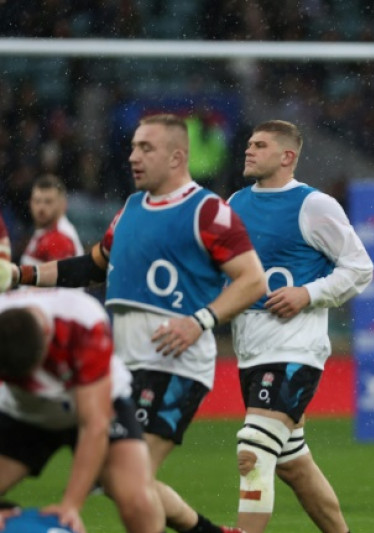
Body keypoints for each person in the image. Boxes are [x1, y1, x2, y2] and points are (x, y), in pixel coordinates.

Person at [5, 113, 266, 533]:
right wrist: (23, 274)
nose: (133, 157)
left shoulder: (207, 211)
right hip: (124, 367)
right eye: (132, 147)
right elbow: (91, 267)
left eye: (146, 148)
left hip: (173, 363)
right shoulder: (130, 209)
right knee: (123, 481)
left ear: (177, 157)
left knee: (122, 476)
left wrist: (199, 321)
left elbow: (253, 280)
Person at [228, 120, 372, 533]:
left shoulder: (314, 205)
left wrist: (307, 293)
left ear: (287, 156)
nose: (249, 151)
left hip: (295, 348)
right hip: (250, 349)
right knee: (293, 462)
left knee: (253, 449)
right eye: (249, 143)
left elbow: (359, 268)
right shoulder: (235, 203)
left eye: (260, 145)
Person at [0, 288, 164, 533]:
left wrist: (71, 505)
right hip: (23, 415)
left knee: (137, 500)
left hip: (95, 405)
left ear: (47, 335)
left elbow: (95, 424)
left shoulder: (83, 321)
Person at [21, 175, 84, 266]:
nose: (41, 208)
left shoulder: (60, 239)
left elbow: (64, 279)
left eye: (48, 202)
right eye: (37, 201)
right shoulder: (46, 230)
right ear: (30, 202)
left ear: (63, 205)